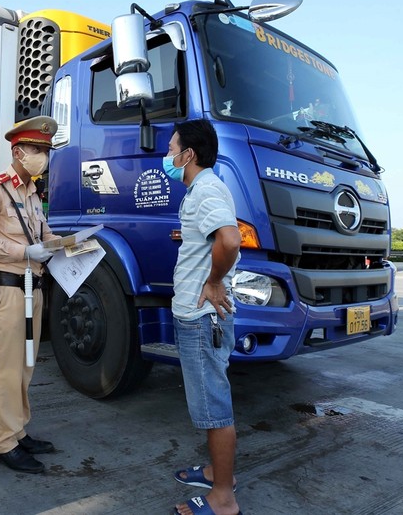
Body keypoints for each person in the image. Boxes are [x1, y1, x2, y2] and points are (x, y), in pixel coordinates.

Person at [0, 115, 60, 474]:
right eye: (37, 149)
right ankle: (3, 443)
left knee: (25, 365)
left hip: (31, 289)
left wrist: (67, 245)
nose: (43, 156)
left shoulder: (34, 194)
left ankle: (17, 431)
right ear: (18, 152)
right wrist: (24, 253)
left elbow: (44, 236)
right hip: (6, 290)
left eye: (46, 150)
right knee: (6, 368)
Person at [165, 119, 242, 515]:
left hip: (201, 317)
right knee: (211, 403)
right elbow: (213, 235)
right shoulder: (202, 190)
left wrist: (213, 282)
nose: (168, 156)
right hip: (198, 316)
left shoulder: (206, 188)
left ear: (188, 154)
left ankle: (223, 498)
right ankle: (215, 473)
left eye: (172, 148)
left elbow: (230, 239)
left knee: (214, 409)